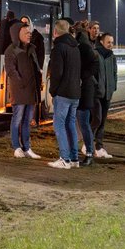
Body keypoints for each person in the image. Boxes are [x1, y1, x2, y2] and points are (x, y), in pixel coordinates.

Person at [4, 23, 42, 159]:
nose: (29, 34)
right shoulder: (11, 50)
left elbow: (36, 68)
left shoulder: (32, 49)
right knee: (17, 119)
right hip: (20, 91)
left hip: (31, 91)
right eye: (26, 32)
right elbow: (11, 71)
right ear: (17, 34)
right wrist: (21, 83)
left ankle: (27, 147)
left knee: (27, 120)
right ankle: (16, 147)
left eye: (29, 32)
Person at [47, 19, 82, 168]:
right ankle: (74, 159)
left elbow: (57, 73)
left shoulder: (59, 48)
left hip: (63, 93)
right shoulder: (75, 47)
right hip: (75, 93)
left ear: (55, 32)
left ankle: (64, 159)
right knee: (71, 125)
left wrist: (52, 90)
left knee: (59, 125)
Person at [74, 20, 100, 165]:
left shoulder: (82, 46)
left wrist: (83, 77)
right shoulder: (83, 45)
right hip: (84, 89)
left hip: (84, 90)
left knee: (83, 122)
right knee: (83, 122)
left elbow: (94, 64)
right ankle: (86, 152)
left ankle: (89, 152)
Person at [92, 32, 117, 158]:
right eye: (109, 42)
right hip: (97, 94)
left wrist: (113, 87)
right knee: (97, 119)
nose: (111, 44)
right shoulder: (95, 54)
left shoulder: (112, 56)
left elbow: (114, 72)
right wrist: (96, 86)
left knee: (102, 122)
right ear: (102, 42)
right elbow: (92, 73)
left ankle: (99, 147)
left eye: (112, 42)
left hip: (108, 93)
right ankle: (88, 143)